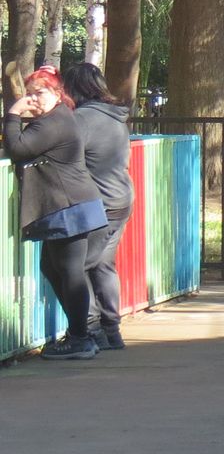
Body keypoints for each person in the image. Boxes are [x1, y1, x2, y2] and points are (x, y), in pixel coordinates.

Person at [4, 66, 109, 360]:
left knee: (70, 271)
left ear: (56, 93)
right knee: (53, 268)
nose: (33, 99)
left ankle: (81, 338)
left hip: (69, 206)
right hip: (68, 205)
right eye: (30, 94)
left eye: (40, 93)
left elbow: (18, 149)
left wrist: (13, 113)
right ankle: (83, 333)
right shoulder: (58, 117)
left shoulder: (53, 123)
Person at [62, 63, 134, 350]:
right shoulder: (115, 116)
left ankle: (89, 328)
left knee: (80, 266)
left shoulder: (81, 119)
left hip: (98, 203)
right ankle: (111, 330)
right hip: (120, 198)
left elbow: (64, 155)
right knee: (103, 264)